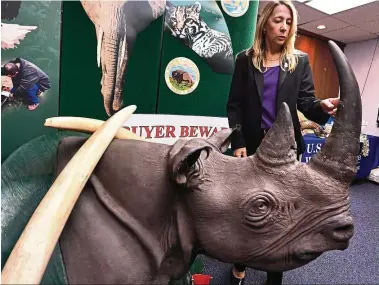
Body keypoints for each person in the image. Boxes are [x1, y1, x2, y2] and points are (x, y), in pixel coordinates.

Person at [226, 1, 340, 285]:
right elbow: (235, 105)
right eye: (278, 20)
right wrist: (238, 138)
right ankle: (240, 261)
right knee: (248, 208)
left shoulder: (298, 61)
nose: (284, 27)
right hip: (252, 148)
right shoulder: (245, 59)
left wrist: (321, 107)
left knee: (280, 214)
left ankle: (274, 271)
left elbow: (306, 101)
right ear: (265, 23)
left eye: (289, 22)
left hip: (286, 150)